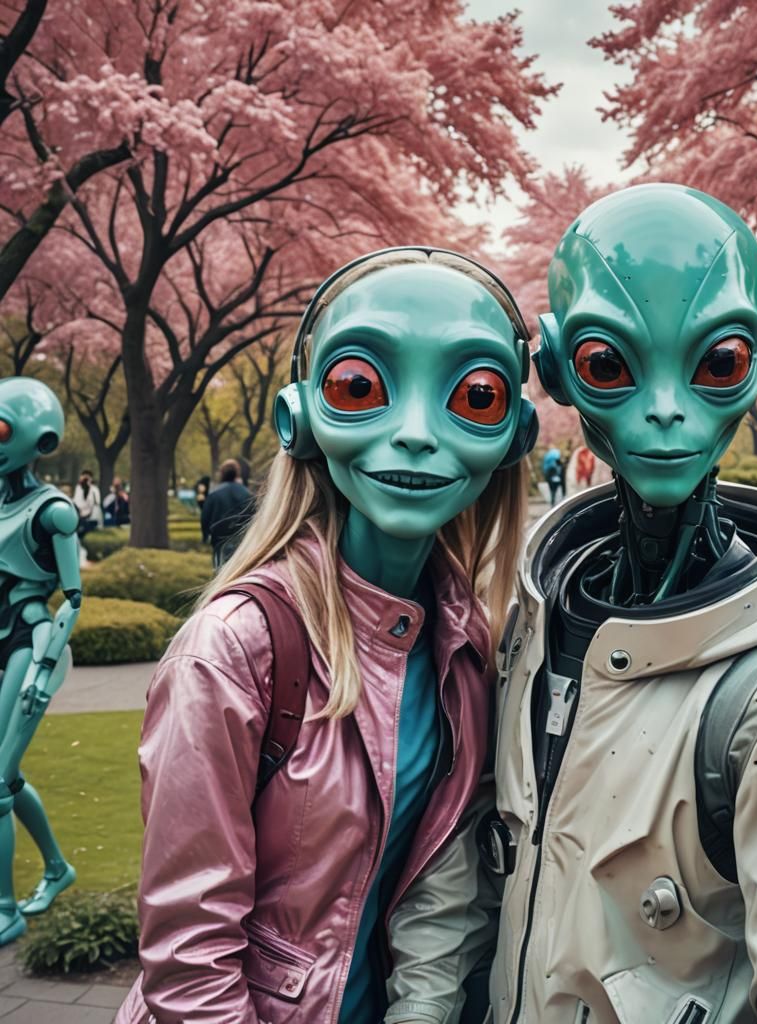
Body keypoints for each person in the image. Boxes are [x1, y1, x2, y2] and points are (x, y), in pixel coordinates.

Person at [404, 186, 757, 1023]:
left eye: (718, 364)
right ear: (558, 369)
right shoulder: (529, 626)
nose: (668, 409)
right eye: (613, 366)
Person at [115, 247, 538, 1024]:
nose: (415, 433)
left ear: (517, 431)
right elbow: (188, 953)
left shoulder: (466, 645)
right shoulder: (235, 649)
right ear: (299, 413)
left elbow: (443, 896)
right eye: (361, 387)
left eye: (473, 396)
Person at [0, 379, 82, 943]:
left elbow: (73, 598)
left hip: (31, 644)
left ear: (39, 438)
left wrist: (45, 668)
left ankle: (4, 909)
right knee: (5, 777)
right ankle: (56, 869)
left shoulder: (53, 512)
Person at [199, 459, 254, 567]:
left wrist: (205, 535)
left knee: (220, 569)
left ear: (222, 473)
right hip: (241, 539)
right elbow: (254, 516)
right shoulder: (247, 494)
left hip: (219, 538)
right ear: (237, 473)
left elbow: (205, 517)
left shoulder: (214, 494)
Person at [71, 469, 102, 537]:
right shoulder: (78, 488)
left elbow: (96, 503)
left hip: (90, 517)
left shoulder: (94, 489)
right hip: (79, 515)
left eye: (87, 478)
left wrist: (89, 489)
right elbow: (77, 502)